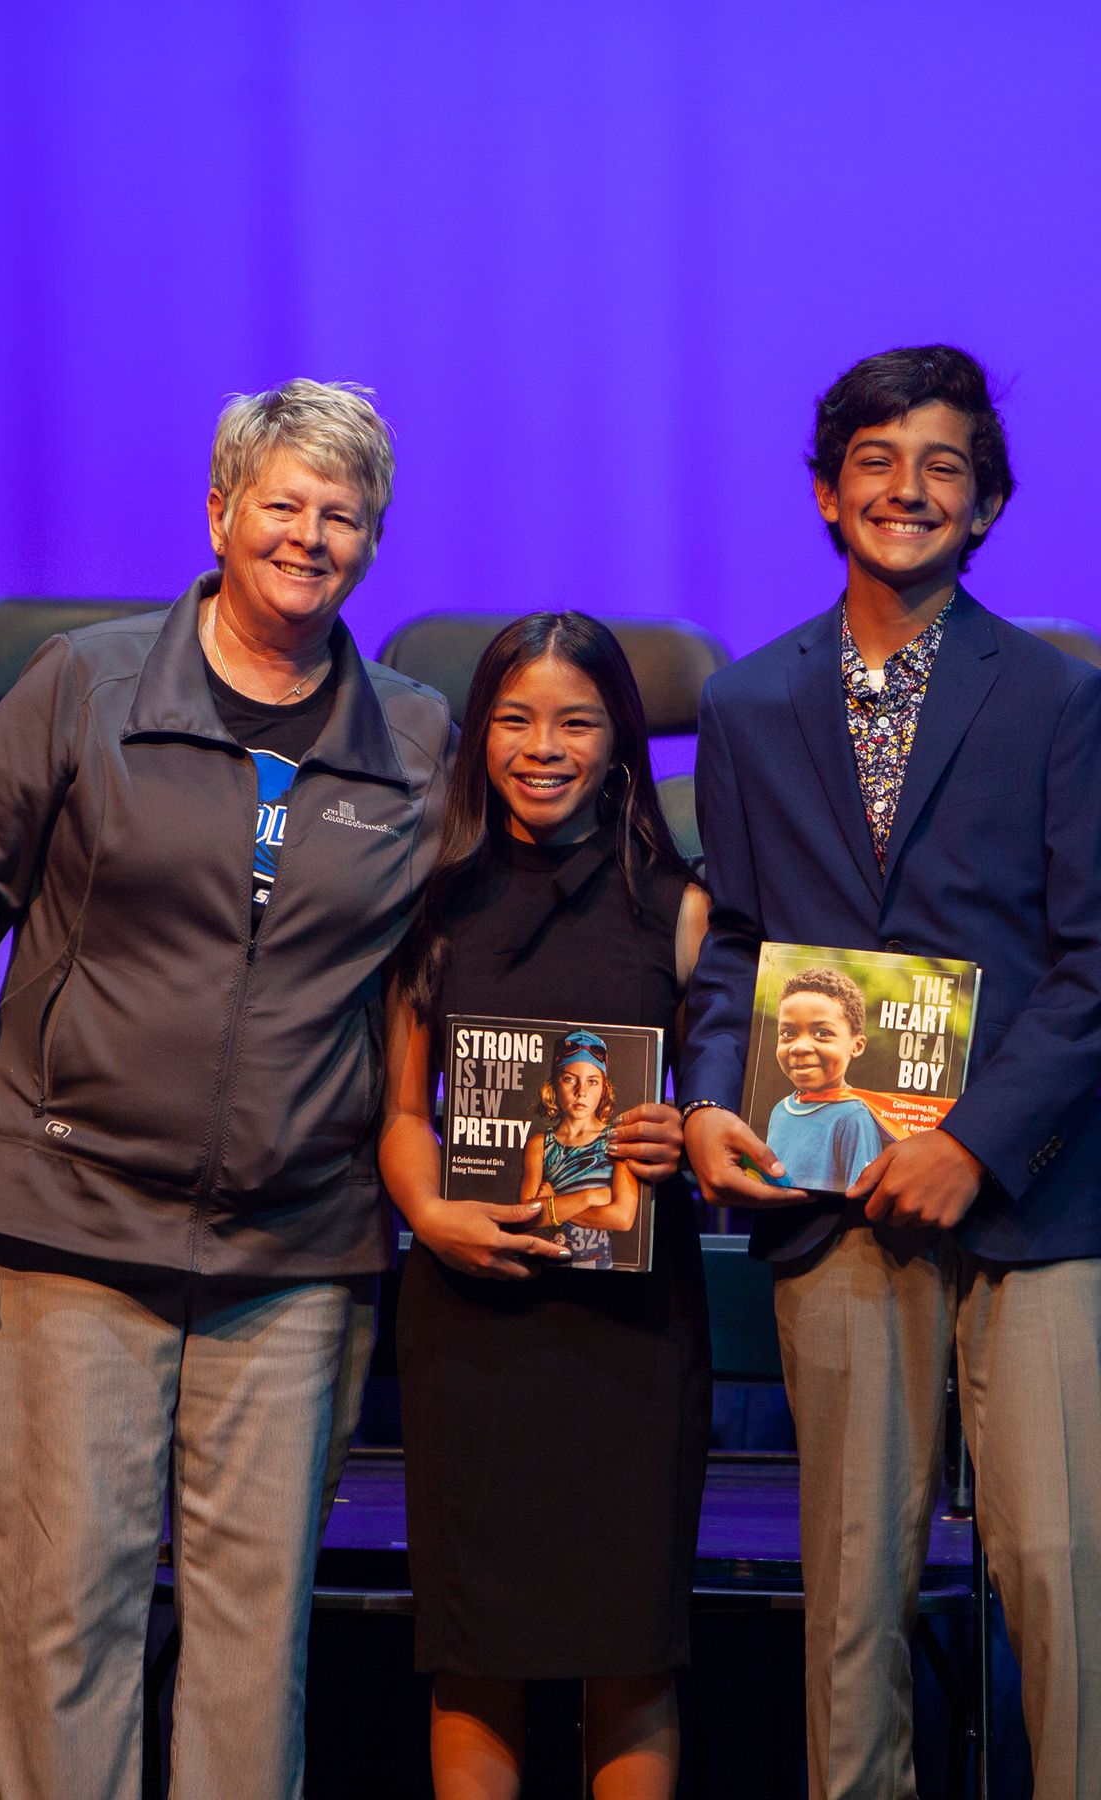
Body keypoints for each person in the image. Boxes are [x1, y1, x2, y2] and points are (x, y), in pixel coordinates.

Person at [0, 379, 454, 1799]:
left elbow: (473, 955)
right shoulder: (85, 686)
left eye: (344, 515)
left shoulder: (417, 741)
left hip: (299, 1248)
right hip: (76, 1217)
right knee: (63, 1622)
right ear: (219, 515)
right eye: (283, 504)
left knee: (253, 1643)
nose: (310, 536)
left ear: (375, 543)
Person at [682, 344, 1101, 1799]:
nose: (908, 489)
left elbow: (1091, 963)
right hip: (835, 1197)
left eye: (943, 466)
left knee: (1060, 1580)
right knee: (853, 1599)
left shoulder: (1059, 700)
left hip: (1034, 1201)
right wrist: (714, 1099)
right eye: (877, 461)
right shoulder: (745, 705)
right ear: (825, 493)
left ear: (987, 505)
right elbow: (737, 944)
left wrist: (974, 1142)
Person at [379, 613, 710, 1800]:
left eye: (577, 721)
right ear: (480, 736)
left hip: (630, 1335)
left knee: (631, 1648)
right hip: (471, 1324)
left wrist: (678, 1133)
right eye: (515, 719)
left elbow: (714, 1105)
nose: (544, 747)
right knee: (474, 1654)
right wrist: (431, 1214)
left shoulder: (680, 908)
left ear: (620, 741)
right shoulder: (430, 903)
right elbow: (403, 1114)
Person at [765, 967, 892, 1192]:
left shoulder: (852, 1117)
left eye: (822, 1033)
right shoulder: (780, 1110)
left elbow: (862, 1196)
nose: (800, 1047)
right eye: (788, 1033)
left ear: (856, 1046)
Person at [521, 1028, 639, 1268]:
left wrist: (554, 1204)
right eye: (569, 1079)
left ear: (604, 1088)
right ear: (554, 1085)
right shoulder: (540, 1144)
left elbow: (622, 1218)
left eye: (592, 1081)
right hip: (549, 1266)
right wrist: (591, 1196)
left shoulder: (617, 1140)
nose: (581, 1092)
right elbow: (526, 1216)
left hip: (600, 1270)